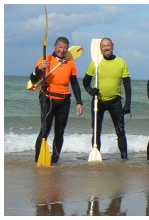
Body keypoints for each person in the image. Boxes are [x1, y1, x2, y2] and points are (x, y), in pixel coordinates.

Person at [31, 36, 84, 164]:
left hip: (64, 100)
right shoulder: (45, 59)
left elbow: (75, 83)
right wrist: (39, 68)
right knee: (44, 130)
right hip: (47, 98)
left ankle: (55, 160)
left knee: (59, 132)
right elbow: (33, 80)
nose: (62, 50)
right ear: (55, 47)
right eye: (60, 47)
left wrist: (79, 102)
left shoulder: (70, 62)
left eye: (65, 48)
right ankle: (38, 160)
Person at [83, 37, 132, 159]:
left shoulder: (121, 62)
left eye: (108, 45)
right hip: (98, 102)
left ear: (113, 46)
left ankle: (124, 158)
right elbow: (85, 81)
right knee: (96, 131)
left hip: (115, 102)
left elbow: (127, 84)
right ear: (100, 48)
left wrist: (128, 104)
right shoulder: (95, 62)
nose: (106, 48)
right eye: (104, 46)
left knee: (120, 131)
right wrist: (90, 91)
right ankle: (96, 154)